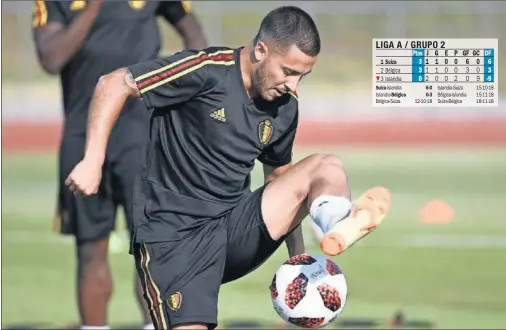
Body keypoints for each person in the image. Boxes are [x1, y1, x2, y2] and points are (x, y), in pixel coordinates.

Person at [66, 5, 391, 330]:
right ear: (261, 51)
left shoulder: (284, 107)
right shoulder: (207, 70)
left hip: (234, 229)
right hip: (174, 240)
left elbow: (283, 182)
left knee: (327, 166)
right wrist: (93, 160)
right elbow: (113, 83)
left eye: (303, 76)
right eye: (289, 71)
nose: (294, 87)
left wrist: (298, 261)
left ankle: (336, 224)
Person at [32, 1, 207, 329]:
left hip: (142, 135)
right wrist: (93, 7)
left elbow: (193, 33)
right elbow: (52, 58)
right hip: (83, 134)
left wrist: (182, 87)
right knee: (90, 248)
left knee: (150, 249)